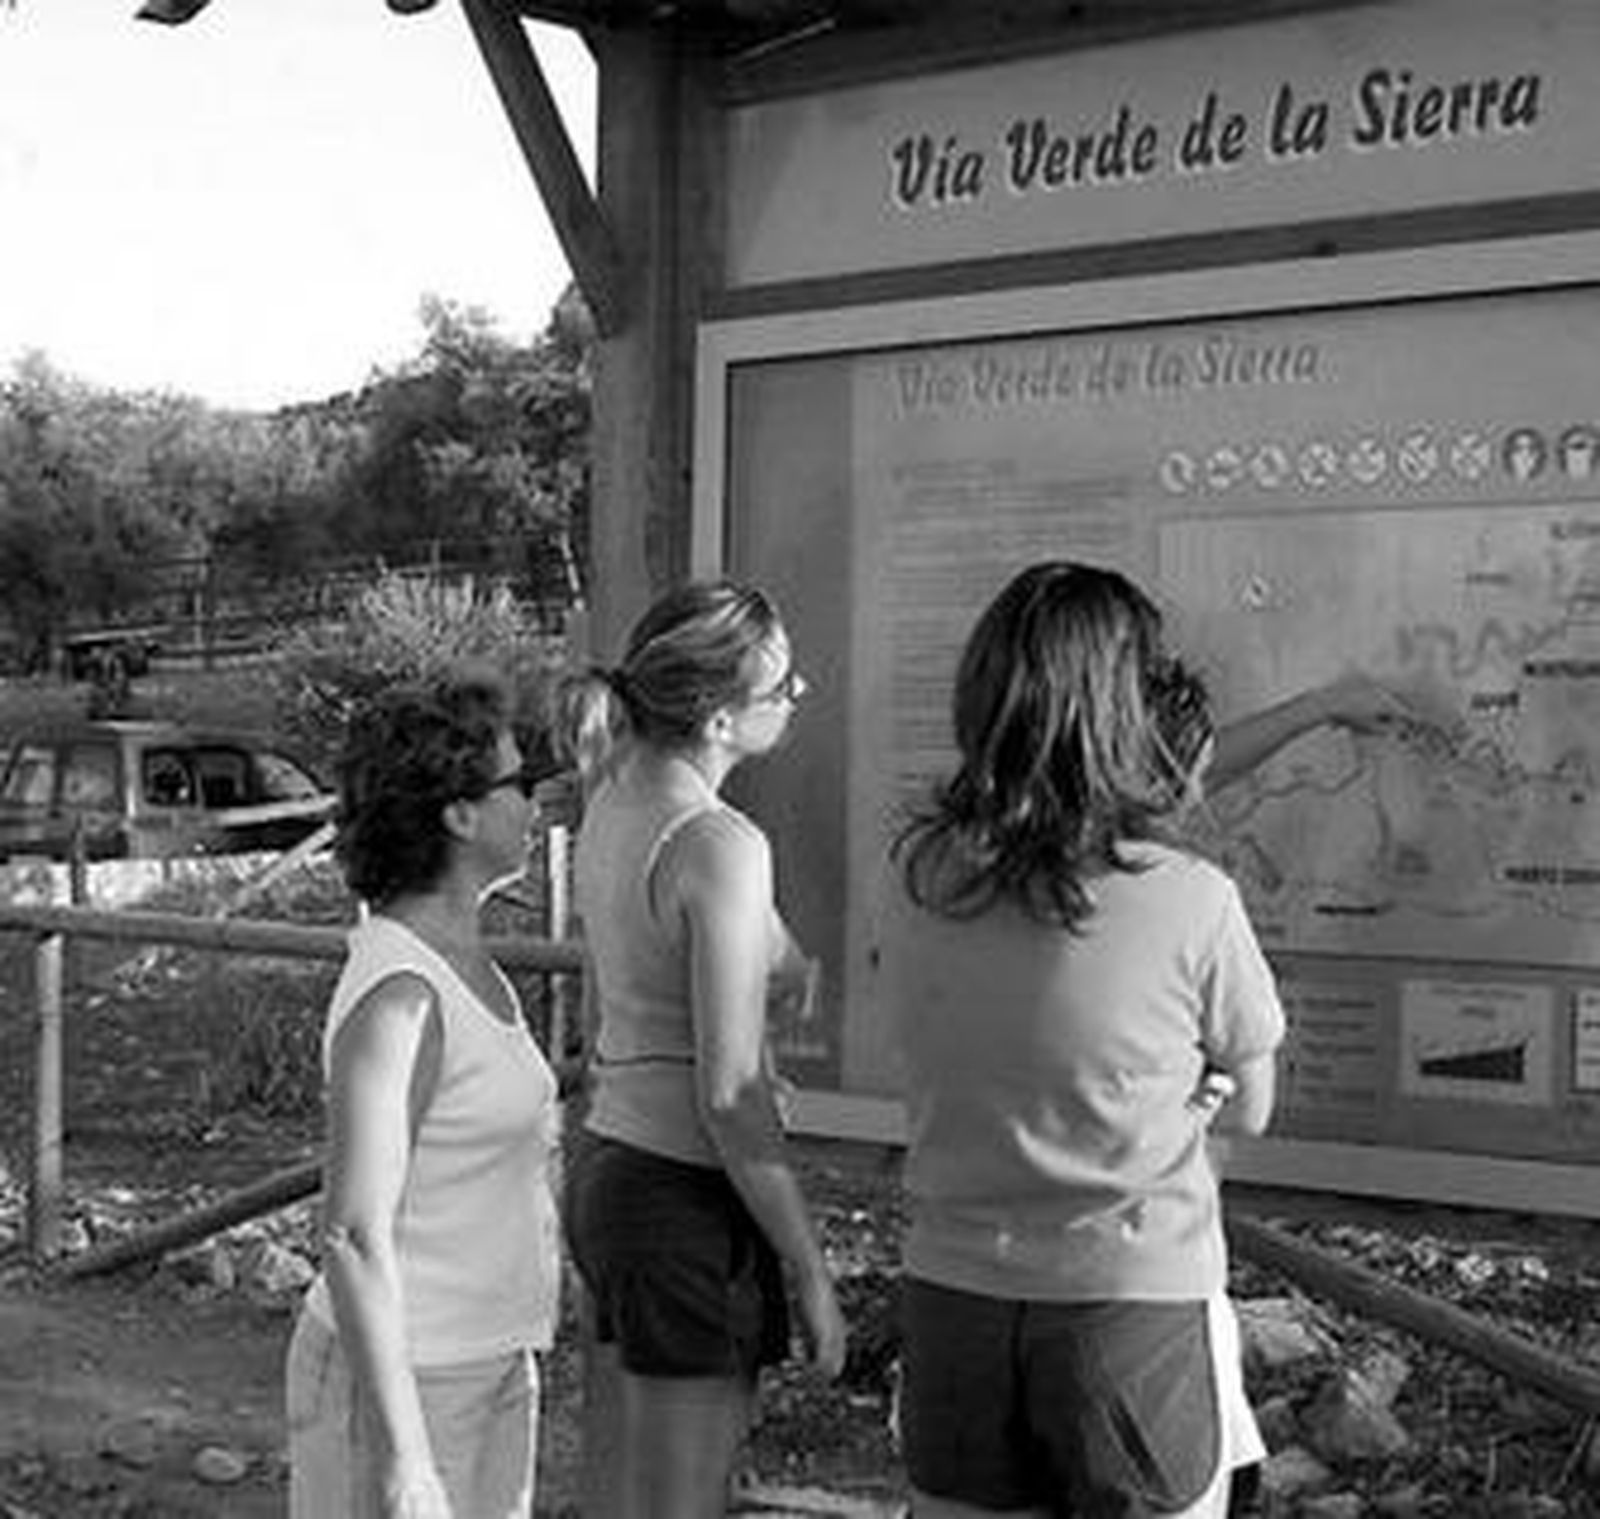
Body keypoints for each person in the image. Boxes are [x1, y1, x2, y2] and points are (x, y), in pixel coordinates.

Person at [878, 561, 1285, 1518]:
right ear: (1117, 712)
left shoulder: (922, 878)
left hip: (953, 1298)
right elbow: (1253, 1105)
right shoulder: (1192, 899)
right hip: (1129, 1310)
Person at [557, 578, 848, 1519]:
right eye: (782, 685)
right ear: (721, 719)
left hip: (612, 1162)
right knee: (684, 1502)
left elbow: (751, 951)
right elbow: (729, 1094)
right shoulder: (720, 843)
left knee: (642, 1493)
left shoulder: (616, 795)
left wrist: (786, 965)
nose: (800, 694)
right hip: (685, 1192)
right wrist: (808, 1264)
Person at [285, 672, 562, 1519]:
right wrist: (406, 1460)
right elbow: (352, 1230)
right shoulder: (402, 993)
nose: (536, 799)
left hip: (490, 1358)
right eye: (520, 780)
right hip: (406, 1378)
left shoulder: (468, 969)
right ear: (460, 814)